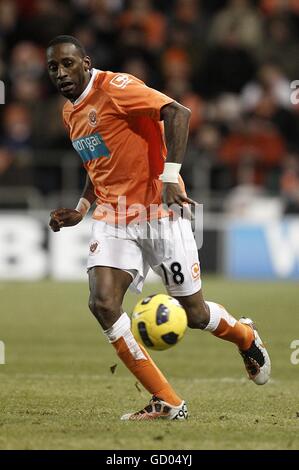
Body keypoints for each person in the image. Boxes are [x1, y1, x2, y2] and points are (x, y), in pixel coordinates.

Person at [46, 35, 271, 421]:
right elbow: (97, 162)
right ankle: (167, 400)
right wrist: (83, 208)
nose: (61, 73)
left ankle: (246, 336)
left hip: (160, 213)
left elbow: (178, 112)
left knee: (196, 314)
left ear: (86, 62)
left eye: (68, 63)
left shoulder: (118, 88)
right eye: (53, 67)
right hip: (115, 218)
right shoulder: (71, 113)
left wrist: (170, 177)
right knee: (103, 304)